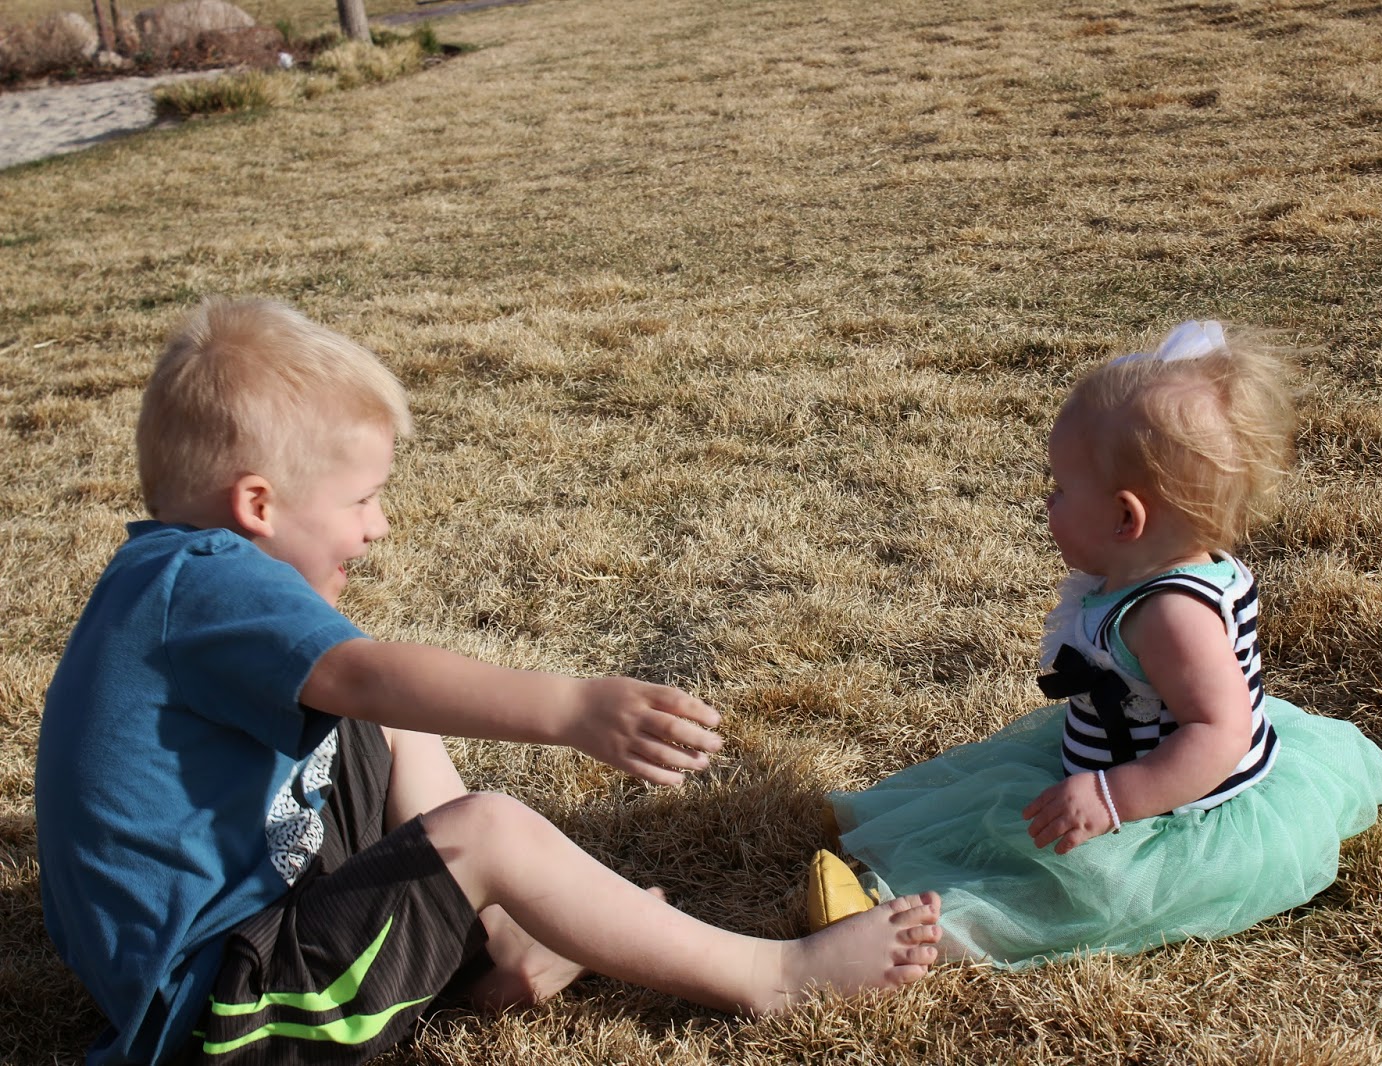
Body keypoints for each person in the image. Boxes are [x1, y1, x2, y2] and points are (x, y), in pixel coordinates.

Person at [33, 298, 942, 1066]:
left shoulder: (168, 580)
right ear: (257, 505)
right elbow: (366, 674)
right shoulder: (203, 579)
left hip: (255, 942)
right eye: (360, 500)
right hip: (229, 1020)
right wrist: (573, 708)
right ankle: (773, 978)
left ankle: (498, 944)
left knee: (384, 716)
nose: (379, 526)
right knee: (484, 823)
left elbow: (370, 693)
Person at [814, 320, 1382, 965]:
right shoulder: (1142, 575)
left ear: (1125, 517)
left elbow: (1219, 731)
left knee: (1069, 890)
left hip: (1169, 809)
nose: (1048, 503)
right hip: (1114, 759)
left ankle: (913, 928)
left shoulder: (1171, 614)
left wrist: (1116, 798)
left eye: (1061, 489)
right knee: (1004, 816)